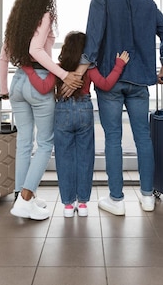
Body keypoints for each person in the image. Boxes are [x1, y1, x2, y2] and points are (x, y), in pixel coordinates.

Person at [62, 0, 163, 216]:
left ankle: (117, 200)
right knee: (143, 138)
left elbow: (93, 40)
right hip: (140, 80)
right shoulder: (146, 1)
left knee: (113, 139)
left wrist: (79, 73)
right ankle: (147, 197)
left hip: (109, 81)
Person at [0, 0, 83, 220]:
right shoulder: (45, 15)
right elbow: (36, 50)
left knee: (25, 142)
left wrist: (4, 89)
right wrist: (65, 74)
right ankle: (25, 200)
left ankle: (22, 197)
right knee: (45, 143)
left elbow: (4, 57)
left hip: (18, 82)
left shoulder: (16, 21)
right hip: (39, 83)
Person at [23, 31, 129, 217]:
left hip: (62, 113)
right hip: (84, 111)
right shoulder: (88, 68)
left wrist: (28, 68)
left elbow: (44, 87)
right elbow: (105, 84)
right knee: (85, 159)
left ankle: (67, 206)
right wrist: (119, 65)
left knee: (64, 160)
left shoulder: (58, 68)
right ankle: (83, 204)